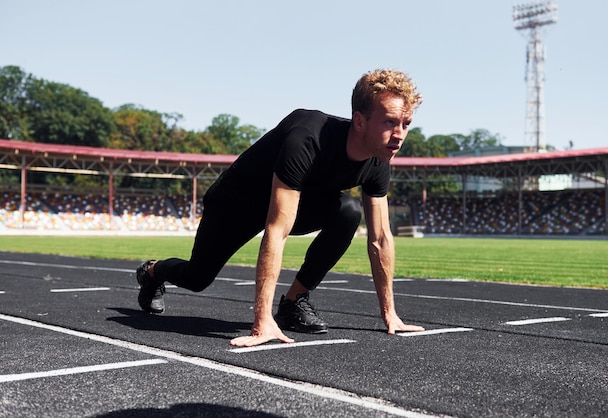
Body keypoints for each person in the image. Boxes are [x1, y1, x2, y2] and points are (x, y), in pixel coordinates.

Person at [135, 68, 426, 347]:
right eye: (389, 122)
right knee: (197, 277)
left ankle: (293, 302)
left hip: (295, 203)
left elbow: (381, 238)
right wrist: (261, 321)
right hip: (237, 203)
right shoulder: (308, 137)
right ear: (360, 121)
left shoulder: (379, 158)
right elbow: (277, 229)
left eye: (406, 124)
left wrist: (390, 313)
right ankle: (152, 271)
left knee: (347, 212)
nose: (399, 134)